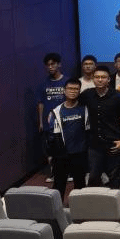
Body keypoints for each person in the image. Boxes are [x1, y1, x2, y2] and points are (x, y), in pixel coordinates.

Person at [80, 65, 120, 190]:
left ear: (109, 79)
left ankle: (114, 199)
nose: (100, 80)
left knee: (114, 176)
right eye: (97, 77)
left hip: (114, 142)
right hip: (94, 143)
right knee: (93, 176)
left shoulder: (118, 96)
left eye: (103, 77)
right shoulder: (87, 94)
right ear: (93, 79)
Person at [47, 79, 88, 202]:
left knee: (80, 185)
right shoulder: (56, 111)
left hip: (80, 154)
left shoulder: (85, 109)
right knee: (58, 185)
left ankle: (79, 209)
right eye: (70, 88)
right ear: (64, 91)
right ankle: (56, 210)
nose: (73, 91)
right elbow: (52, 135)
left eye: (76, 89)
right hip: (61, 155)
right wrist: (51, 154)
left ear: (79, 91)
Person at [38, 52, 68, 183]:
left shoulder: (67, 81)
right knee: (51, 149)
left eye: (53, 64)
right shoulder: (43, 84)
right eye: (48, 65)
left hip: (65, 121)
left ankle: (67, 172)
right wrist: (41, 122)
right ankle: (54, 173)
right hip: (49, 122)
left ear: (59, 64)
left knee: (65, 147)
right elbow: (41, 103)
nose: (50, 67)